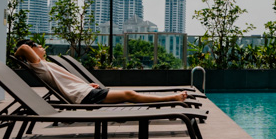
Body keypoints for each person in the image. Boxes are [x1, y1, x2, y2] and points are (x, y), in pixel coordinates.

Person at [14, 41, 187, 105]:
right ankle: (172, 98)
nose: (43, 47)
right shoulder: (39, 66)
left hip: (86, 91)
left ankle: (167, 100)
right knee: (130, 94)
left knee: (129, 96)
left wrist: (85, 84)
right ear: (32, 50)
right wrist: (18, 57)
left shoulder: (44, 64)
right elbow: (22, 47)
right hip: (84, 97)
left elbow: (66, 82)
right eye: (38, 45)